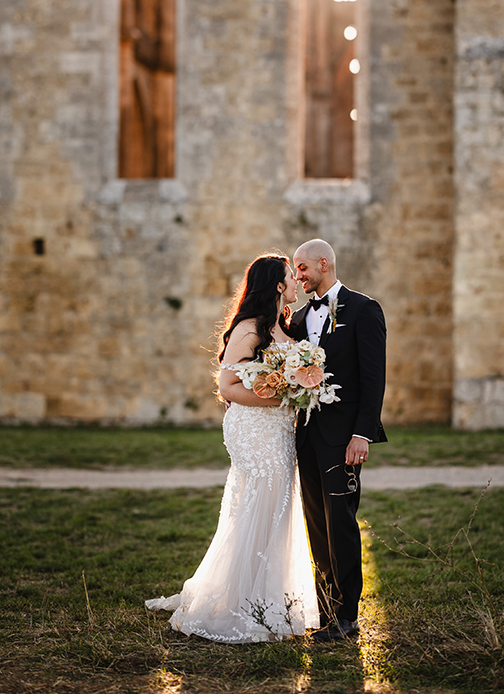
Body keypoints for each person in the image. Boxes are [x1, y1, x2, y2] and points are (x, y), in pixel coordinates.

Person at [145, 253, 319, 642]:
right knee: (259, 504)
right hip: (253, 429)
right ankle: (241, 602)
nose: (296, 283)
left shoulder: (284, 327)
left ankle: (268, 599)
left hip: (280, 431)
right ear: (278, 284)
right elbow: (228, 387)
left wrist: (297, 389)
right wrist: (284, 398)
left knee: (277, 507)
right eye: (292, 277)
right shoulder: (249, 327)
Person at [290, 239, 386, 642]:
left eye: (302, 268)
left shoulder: (364, 310)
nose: (299, 277)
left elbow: (372, 377)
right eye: (296, 270)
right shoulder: (296, 320)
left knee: (341, 523)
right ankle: (326, 610)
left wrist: (362, 434)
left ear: (323, 263)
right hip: (306, 438)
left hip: (343, 439)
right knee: (316, 525)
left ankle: (347, 615)